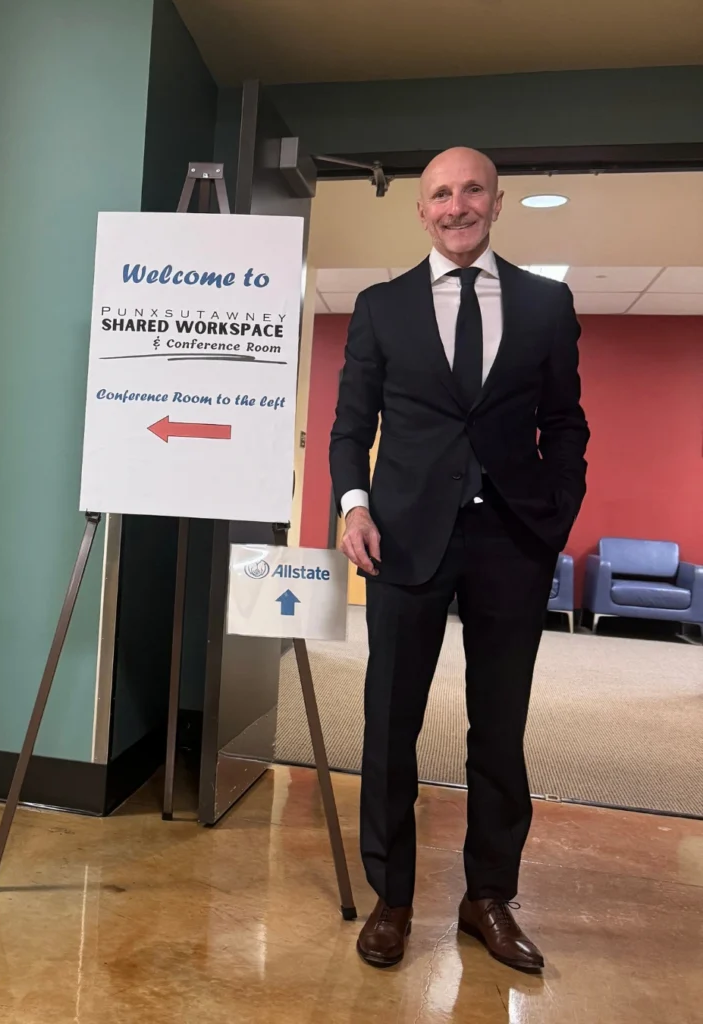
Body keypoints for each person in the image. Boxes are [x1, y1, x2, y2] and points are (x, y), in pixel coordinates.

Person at [329, 147, 589, 972]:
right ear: (421, 210)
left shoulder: (547, 304)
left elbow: (566, 422)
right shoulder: (380, 307)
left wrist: (555, 514)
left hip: (512, 540)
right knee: (388, 728)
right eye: (439, 193)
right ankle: (391, 899)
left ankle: (486, 899)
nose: (455, 205)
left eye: (470, 188)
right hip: (403, 539)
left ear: (496, 200)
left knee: (499, 729)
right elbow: (347, 429)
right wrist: (352, 505)